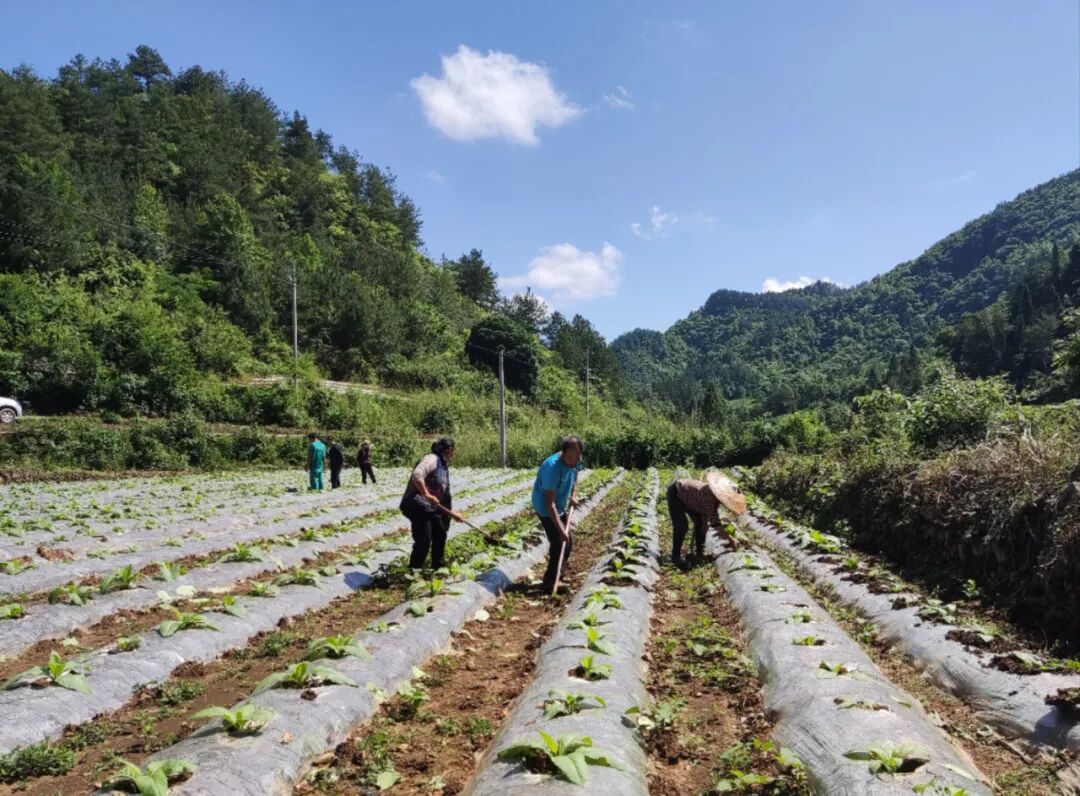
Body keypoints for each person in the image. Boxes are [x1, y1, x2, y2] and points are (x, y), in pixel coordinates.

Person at [400, 437, 463, 570]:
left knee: (440, 533)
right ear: (450, 450)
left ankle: (438, 568)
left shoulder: (443, 465)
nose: (454, 453)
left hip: (431, 508)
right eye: (453, 450)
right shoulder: (432, 459)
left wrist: (452, 514)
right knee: (424, 540)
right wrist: (427, 494)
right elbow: (417, 474)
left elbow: (444, 496)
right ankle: (414, 570)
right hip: (417, 504)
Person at [531, 436, 583, 594]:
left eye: (576, 457)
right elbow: (549, 504)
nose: (573, 461)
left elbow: (574, 476)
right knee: (558, 541)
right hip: (546, 507)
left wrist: (573, 495)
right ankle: (549, 581)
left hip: (559, 504)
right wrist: (560, 530)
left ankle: (559, 572)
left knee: (568, 542)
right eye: (569, 457)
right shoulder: (552, 468)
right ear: (563, 453)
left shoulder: (575, 460)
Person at [667, 470, 746, 567]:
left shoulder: (714, 497)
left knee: (701, 524)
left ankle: (699, 553)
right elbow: (715, 524)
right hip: (676, 493)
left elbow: (707, 518)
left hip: (691, 499)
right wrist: (730, 540)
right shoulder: (709, 496)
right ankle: (676, 556)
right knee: (682, 526)